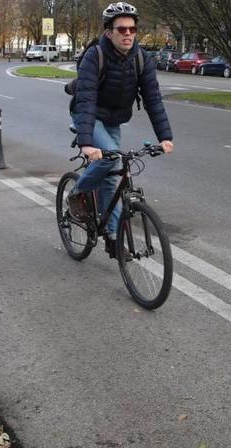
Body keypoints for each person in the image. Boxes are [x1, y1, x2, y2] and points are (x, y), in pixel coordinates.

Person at [67, 2, 174, 257]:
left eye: (132, 29)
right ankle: (77, 192)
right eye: (121, 29)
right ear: (109, 32)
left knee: (113, 176)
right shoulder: (95, 56)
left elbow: (153, 99)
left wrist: (165, 137)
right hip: (88, 114)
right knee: (108, 155)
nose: (128, 34)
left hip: (113, 120)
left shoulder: (141, 59)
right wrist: (86, 143)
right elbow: (86, 99)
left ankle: (113, 238)